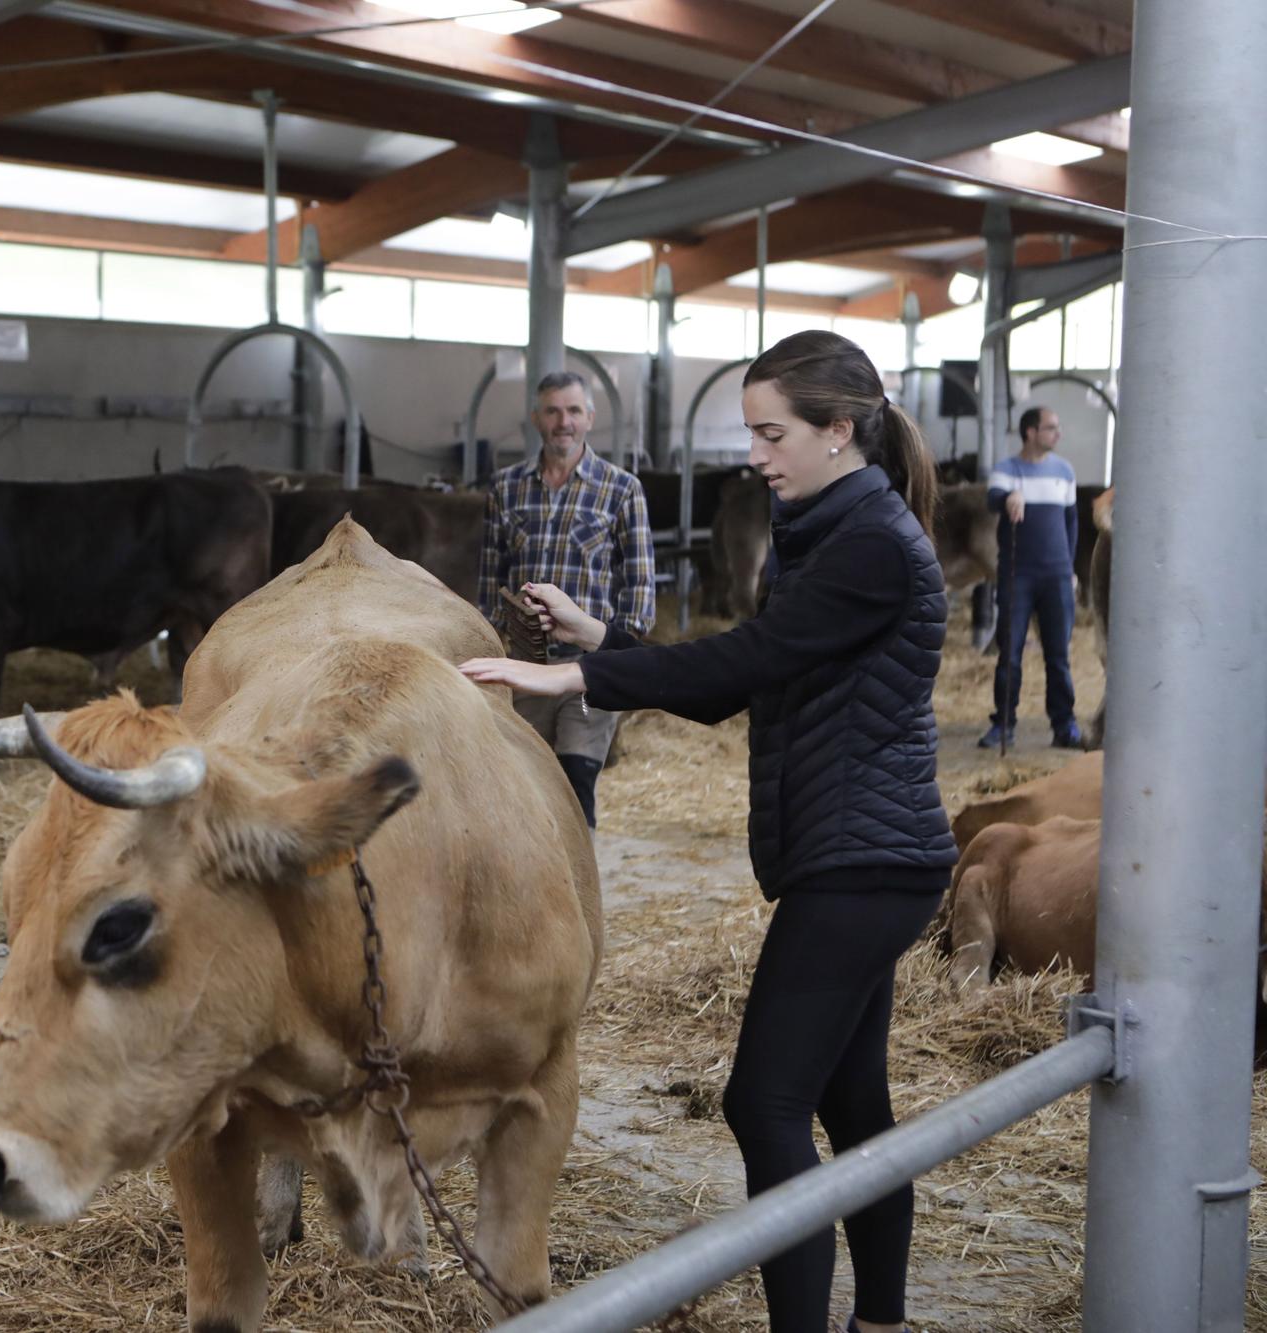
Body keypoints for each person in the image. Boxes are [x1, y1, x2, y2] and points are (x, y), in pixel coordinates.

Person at [461, 330, 955, 1333]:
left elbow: (742, 662)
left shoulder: (867, 542)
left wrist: (574, 677)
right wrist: (598, 636)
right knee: (848, 1101)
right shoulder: (828, 523)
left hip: (863, 860)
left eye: (771, 433)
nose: (754, 454)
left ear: (839, 430)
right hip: (858, 852)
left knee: (762, 1102)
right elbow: (744, 679)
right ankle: (883, 1322)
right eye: (751, 432)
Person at [475, 370, 654, 828]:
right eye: (552, 411)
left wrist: (622, 655)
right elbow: (490, 574)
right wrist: (496, 638)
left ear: (590, 418)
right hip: (526, 666)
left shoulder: (621, 489)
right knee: (521, 784)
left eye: (573, 410)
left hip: (586, 669)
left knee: (576, 783)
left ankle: (578, 895)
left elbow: (639, 583)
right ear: (536, 418)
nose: (563, 422)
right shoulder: (506, 487)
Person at [980, 407, 1082, 749]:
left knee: (1058, 655)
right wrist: (1010, 496)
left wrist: (1069, 568)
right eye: (1051, 428)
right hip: (1017, 574)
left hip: (1056, 576)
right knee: (1010, 652)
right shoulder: (1007, 470)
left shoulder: (1064, 472)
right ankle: (1004, 725)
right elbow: (993, 499)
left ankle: (1064, 725)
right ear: (1030, 432)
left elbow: (1071, 524)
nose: (1058, 434)